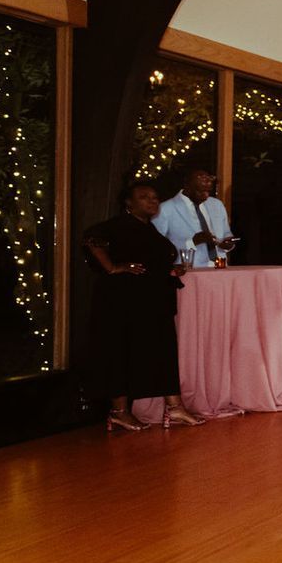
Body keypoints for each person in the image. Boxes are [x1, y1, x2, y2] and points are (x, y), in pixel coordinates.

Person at [84, 182, 204, 431]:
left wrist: (170, 269)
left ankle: (175, 408)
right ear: (128, 203)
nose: (152, 201)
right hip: (124, 302)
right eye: (144, 197)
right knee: (121, 352)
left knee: (163, 350)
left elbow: (151, 260)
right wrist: (113, 268)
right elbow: (92, 240)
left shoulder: (149, 230)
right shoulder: (117, 226)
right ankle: (119, 412)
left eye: (155, 197)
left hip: (152, 301)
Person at [152, 165, 236, 268]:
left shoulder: (217, 205)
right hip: (187, 270)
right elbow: (156, 246)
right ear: (187, 186)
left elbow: (226, 233)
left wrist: (227, 244)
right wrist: (192, 242)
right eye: (200, 191)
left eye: (208, 192)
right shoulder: (165, 209)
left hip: (219, 267)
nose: (205, 196)